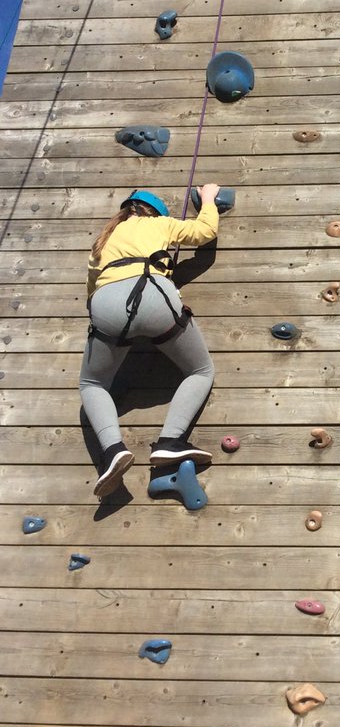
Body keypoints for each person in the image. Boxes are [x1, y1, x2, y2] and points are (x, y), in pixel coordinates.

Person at [80, 186, 221, 498]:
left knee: (92, 383)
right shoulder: (158, 224)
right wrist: (208, 199)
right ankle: (171, 442)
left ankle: (112, 450)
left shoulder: (102, 241)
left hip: (105, 303)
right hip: (152, 293)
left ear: (128, 209)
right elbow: (205, 231)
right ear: (152, 211)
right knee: (200, 371)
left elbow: (91, 288)